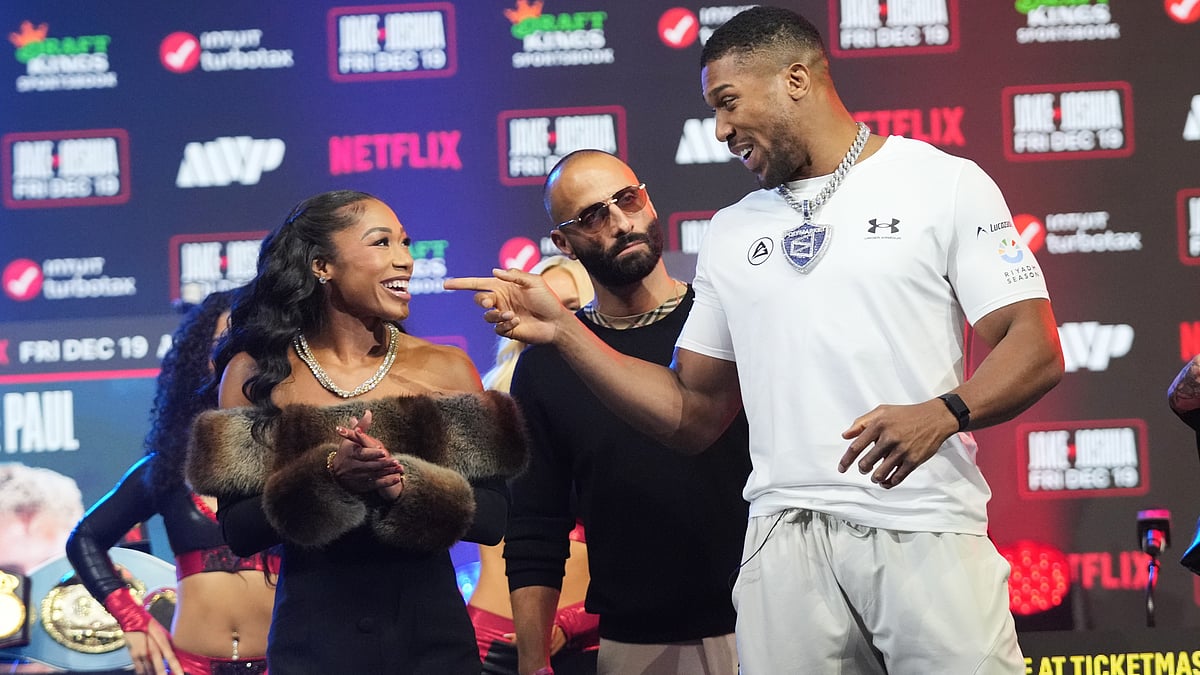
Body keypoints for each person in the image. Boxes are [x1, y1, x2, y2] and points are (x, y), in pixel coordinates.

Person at [446, 6, 1064, 674]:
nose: (720, 129)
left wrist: (945, 412)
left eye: (728, 102)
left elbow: (1033, 344)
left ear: (795, 79)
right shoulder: (732, 231)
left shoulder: (942, 184)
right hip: (781, 543)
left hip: (922, 521)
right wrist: (565, 329)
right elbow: (691, 411)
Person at [184, 190, 528, 675]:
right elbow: (239, 531)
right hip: (313, 646)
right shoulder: (254, 373)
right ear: (322, 265)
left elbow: (492, 519)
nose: (405, 260)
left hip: (431, 645)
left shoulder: (447, 369)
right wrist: (329, 476)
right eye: (382, 243)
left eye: (406, 243)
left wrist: (405, 485)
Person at [499, 150, 751, 675]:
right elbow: (535, 526)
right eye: (592, 215)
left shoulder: (731, 321)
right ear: (563, 244)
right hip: (635, 642)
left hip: (768, 622)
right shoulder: (547, 365)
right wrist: (531, 661)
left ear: (648, 200)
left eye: (627, 199)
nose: (619, 222)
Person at [66, 290, 277, 675]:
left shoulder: (293, 456)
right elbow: (85, 539)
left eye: (249, 343)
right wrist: (132, 618)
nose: (236, 357)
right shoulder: (168, 468)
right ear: (200, 359)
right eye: (222, 344)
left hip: (281, 663)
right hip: (187, 666)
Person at [472, 255, 599, 675]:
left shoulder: (620, 407)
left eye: (568, 307)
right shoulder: (489, 405)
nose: (548, 316)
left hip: (587, 633)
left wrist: (573, 622)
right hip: (489, 638)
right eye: (534, 305)